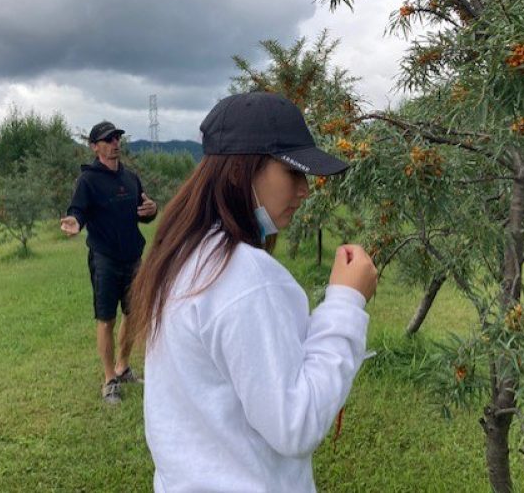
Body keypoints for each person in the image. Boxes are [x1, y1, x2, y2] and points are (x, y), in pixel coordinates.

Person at [129, 92, 378, 492]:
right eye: (292, 173)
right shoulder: (243, 277)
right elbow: (295, 424)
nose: (305, 190)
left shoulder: (186, 255)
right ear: (238, 173)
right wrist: (347, 303)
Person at [60, 120, 158, 403]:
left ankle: (123, 366)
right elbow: (77, 210)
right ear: (95, 147)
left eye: (116, 138)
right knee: (106, 319)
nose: (114, 143)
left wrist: (153, 209)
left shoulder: (130, 178)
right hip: (104, 259)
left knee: (133, 314)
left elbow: (144, 210)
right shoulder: (88, 180)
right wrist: (75, 222)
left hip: (133, 258)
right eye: (107, 140)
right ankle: (109, 379)